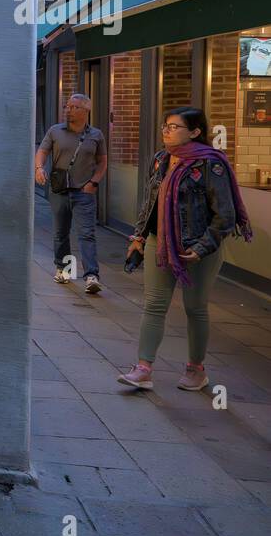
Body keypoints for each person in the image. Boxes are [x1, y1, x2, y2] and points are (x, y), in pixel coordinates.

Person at [117, 107, 253, 391]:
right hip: (161, 242)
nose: (166, 130)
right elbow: (150, 203)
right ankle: (143, 369)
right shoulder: (161, 160)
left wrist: (203, 247)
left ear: (195, 132)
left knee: (195, 308)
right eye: (165, 125)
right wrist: (139, 237)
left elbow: (225, 215)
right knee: (154, 305)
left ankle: (196, 370)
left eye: (174, 126)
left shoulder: (211, 165)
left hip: (199, 249)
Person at [35, 93, 108, 293]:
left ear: (86, 111)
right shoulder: (55, 131)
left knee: (87, 233)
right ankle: (64, 269)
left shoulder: (96, 135)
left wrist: (94, 182)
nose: (68, 110)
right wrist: (39, 168)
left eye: (74, 107)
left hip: (84, 191)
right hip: (59, 191)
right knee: (61, 233)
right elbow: (42, 151)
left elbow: (102, 161)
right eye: (67, 106)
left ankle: (91, 276)